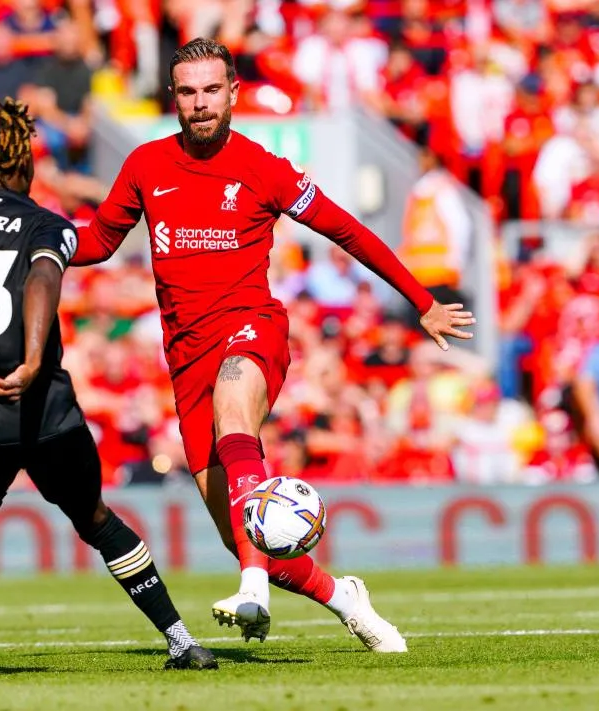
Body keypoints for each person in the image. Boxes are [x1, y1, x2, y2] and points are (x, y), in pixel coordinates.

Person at [72, 38, 476, 652]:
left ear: (233, 93)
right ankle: (345, 599)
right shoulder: (146, 165)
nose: (201, 103)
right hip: (185, 356)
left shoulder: (263, 168)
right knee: (246, 535)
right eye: (188, 92)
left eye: (212, 90)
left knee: (235, 407)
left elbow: (346, 229)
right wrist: (35, 240)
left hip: (251, 327)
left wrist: (422, 302)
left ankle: (253, 588)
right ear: (173, 98)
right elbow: (98, 242)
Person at [0, 95, 216, 672]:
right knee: (93, 516)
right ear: (19, 161)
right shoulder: (46, 224)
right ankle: (179, 639)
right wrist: (29, 364)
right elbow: (44, 278)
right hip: (40, 406)